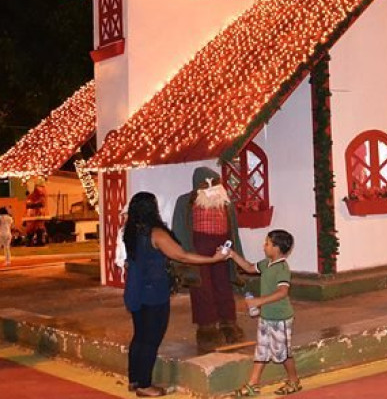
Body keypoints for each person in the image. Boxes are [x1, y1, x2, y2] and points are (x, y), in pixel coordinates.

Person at [123, 191, 229, 397]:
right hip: (153, 293)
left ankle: (135, 379)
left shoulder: (132, 231)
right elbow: (182, 256)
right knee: (151, 339)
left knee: (140, 336)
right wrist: (213, 259)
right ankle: (144, 385)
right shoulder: (156, 233)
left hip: (136, 290)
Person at [171, 167, 244, 353]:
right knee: (202, 288)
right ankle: (207, 329)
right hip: (198, 249)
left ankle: (229, 324)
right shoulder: (185, 202)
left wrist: (236, 254)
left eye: (214, 182)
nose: (211, 187)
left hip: (223, 248)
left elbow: (233, 230)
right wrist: (183, 256)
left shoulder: (226, 203)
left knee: (223, 285)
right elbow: (179, 228)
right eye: (206, 184)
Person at [226, 230, 301, 397]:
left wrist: (258, 302)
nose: (264, 246)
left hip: (280, 318)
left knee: (282, 353)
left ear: (277, 248)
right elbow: (248, 267)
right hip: (266, 317)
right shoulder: (266, 263)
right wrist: (231, 254)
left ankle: (294, 380)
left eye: (267, 243)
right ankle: (253, 384)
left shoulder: (282, 268)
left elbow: (282, 292)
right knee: (261, 350)